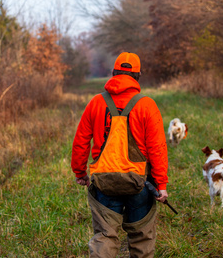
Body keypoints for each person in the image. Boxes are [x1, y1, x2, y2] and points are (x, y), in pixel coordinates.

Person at [71, 52, 169, 257]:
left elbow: (81, 141)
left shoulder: (96, 103)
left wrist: (80, 173)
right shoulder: (147, 105)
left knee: (105, 237)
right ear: (138, 76)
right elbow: (157, 148)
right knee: (142, 237)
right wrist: (161, 185)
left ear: (114, 73)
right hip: (139, 183)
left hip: (104, 183)